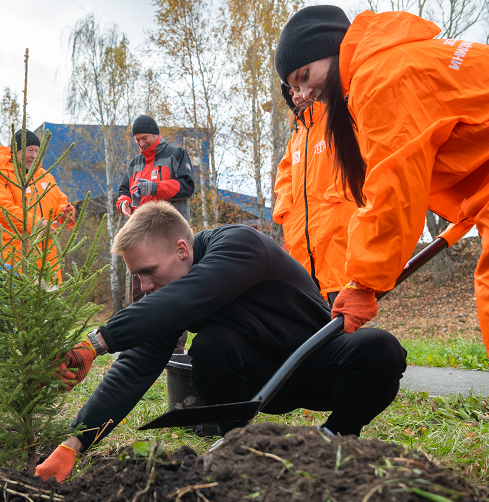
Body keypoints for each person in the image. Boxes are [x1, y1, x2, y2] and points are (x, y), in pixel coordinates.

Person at [276, 4, 489, 501]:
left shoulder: (382, 76)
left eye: (306, 75)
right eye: (293, 86)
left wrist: (363, 282)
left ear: (333, 52)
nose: (303, 94)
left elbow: (393, 188)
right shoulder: (389, 63)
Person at [35, 201, 407, 482]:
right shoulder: (169, 294)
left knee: (380, 349)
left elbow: (194, 294)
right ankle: (238, 445)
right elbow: (135, 366)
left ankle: (335, 439)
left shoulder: (239, 245)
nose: (145, 286)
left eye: (149, 271)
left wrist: (97, 342)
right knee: (212, 344)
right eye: (137, 276)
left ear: (183, 249)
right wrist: (74, 443)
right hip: (256, 385)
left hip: (317, 364)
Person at [272, 87, 357, 304]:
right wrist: (287, 213)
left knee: (343, 304)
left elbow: (359, 162)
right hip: (302, 240)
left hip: (337, 234)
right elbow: (284, 176)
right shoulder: (297, 137)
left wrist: (338, 200)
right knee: (310, 309)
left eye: (299, 89)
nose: (296, 97)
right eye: (291, 94)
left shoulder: (340, 119)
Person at [117, 114, 195, 313]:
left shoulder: (176, 154)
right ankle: (140, 340)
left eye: (144, 138)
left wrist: (155, 188)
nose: (141, 143)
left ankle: (176, 345)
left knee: (172, 293)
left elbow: (187, 186)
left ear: (155, 134)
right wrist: (124, 203)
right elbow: (123, 191)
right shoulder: (134, 163)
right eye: (137, 140)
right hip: (140, 236)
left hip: (169, 235)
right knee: (140, 292)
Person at [0, 128, 75, 283]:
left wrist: (64, 211)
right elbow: (3, 210)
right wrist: (38, 224)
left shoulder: (46, 176)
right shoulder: (0, 177)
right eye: (29, 150)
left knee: (51, 302)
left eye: (37, 151)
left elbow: (59, 199)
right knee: (19, 302)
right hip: (16, 255)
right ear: (15, 152)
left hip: (48, 257)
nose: (34, 155)